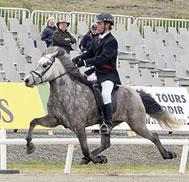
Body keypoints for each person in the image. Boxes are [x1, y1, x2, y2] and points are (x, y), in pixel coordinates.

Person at [72, 13, 121, 134]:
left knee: (105, 94)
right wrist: (76, 59)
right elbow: (89, 53)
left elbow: (102, 58)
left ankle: (108, 123)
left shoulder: (112, 41)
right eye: (97, 24)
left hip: (108, 74)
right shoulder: (95, 39)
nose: (97, 26)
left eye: (99, 24)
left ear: (107, 25)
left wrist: (84, 62)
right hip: (97, 73)